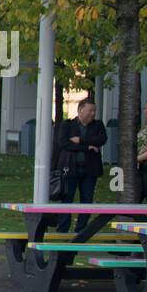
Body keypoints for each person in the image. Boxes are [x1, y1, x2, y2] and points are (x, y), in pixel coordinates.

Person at [53, 97, 107, 233]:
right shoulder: (67, 124)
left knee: (87, 200)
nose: (93, 113)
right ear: (80, 110)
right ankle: (62, 230)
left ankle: (81, 231)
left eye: (94, 110)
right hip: (70, 168)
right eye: (90, 110)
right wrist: (87, 147)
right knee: (67, 198)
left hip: (90, 170)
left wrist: (81, 140)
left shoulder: (98, 125)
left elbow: (101, 139)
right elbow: (63, 143)